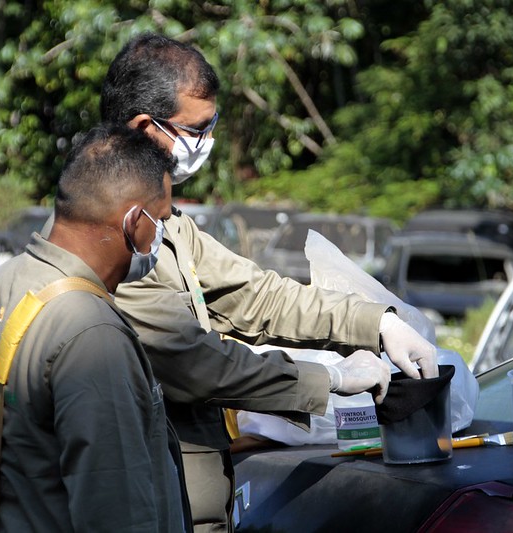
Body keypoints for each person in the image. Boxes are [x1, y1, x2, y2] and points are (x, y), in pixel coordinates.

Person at [99, 33, 438, 533]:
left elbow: (257, 295)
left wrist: (376, 323)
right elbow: (201, 365)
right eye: (197, 129)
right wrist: (332, 381)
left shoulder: (168, 226)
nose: (207, 142)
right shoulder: (113, 241)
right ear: (147, 130)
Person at [0, 124, 190, 532]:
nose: (163, 235)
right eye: (162, 220)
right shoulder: (93, 334)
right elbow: (117, 512)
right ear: (135, 222)